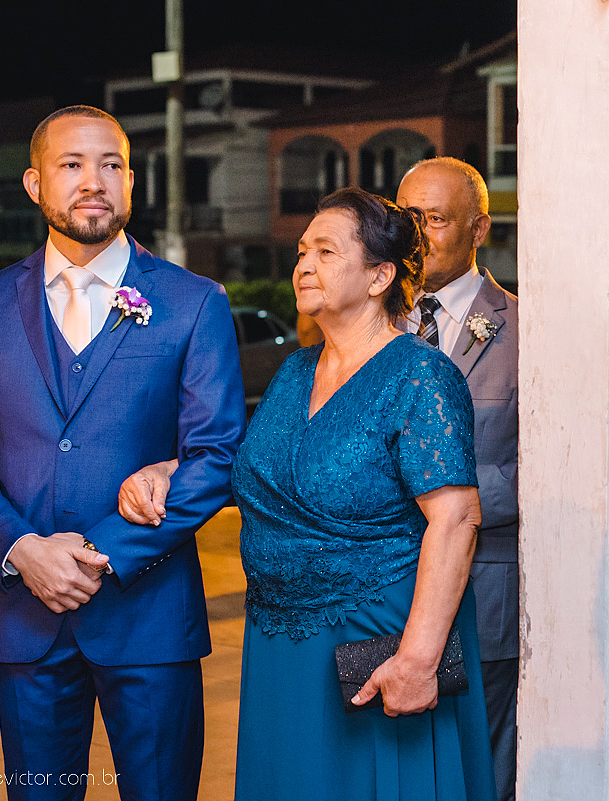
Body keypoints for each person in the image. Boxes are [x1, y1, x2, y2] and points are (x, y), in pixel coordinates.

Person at [120, 187, 496, 801]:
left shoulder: (421, 374)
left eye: (325, 251)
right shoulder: (297, 371)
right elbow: (261, 477)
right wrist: (168, 471)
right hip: (278, 644)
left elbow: (455, 520)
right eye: (301, 252)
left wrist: (420, 659)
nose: (303, 265)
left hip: (377, 642)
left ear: (378, 276)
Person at [0, 105, 246, 801]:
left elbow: (218, 454)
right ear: (35, 184)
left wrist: (99, 555)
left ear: (132, 181)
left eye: (111, 165)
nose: (93, 181)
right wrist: (24, 550)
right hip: (26, 619)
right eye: (72, 165)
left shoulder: (193, 303)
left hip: (151, 618)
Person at [397, 157, 520, 801]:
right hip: (380, 594)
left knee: (483, 771)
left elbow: (554, 471)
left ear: (479, 229)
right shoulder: (372, 328)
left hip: (485, 593)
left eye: (435, 219)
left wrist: (454, 501)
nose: (416, 234)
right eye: (405, 217)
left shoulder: (526, 330)